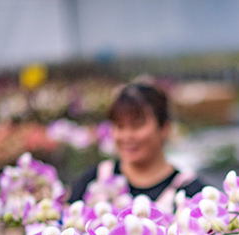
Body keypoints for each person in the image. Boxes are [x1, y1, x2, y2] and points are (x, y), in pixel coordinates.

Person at [69, 82, 204, 210]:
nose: (127, 136)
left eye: (137, 125)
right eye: (120, 126)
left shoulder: (188, 192)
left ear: (165, 128)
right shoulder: (95, 179)